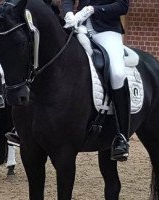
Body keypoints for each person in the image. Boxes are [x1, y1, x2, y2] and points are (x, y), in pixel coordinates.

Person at [62, 0, 130, 161]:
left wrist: (93, 9)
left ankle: (121, 136)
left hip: (106, 31)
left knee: (117, 74)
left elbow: (123, 6)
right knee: (49, 53)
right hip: (78, 27)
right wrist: (68, 13)